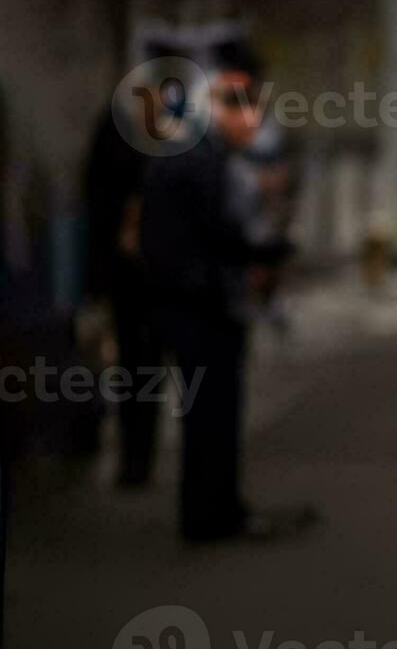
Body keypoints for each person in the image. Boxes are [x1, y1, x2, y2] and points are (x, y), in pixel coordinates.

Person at [138, 44, 312, 543]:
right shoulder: (200, 161)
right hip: (199, 305)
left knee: (213, 414)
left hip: (194, 300)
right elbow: (212, 237)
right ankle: (209, 516)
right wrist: (262, 258)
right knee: (212, 415)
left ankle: (218, 510)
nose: (253, 121)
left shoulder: (193, 156)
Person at [83, 39, 183, 488]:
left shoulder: (161, 133)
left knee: (146, 368)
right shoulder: (124, 131)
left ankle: (140, 459)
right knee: (135, 367)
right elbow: (100, 198)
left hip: (154, 273)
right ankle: (134, 461)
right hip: (132, 273)